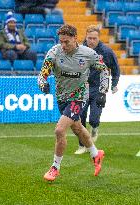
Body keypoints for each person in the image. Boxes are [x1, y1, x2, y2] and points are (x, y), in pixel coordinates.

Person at [38, 24, 109, 181]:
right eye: (61, 41)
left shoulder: (88, 54)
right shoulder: (54, 52)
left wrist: (103, 91)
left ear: (75, 39)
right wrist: (42, 83)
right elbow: (42, 74)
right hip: (62, 97)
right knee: (77, 128)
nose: (63, 45)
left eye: (66, 42)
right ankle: (96, 154)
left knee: (59, 130)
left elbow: (104, 69)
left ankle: (55, 167)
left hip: (78, 97)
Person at [74, 25, 120, 155]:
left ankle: (94, 127)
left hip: (99, 89)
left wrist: (114, 84)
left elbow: (116, 70)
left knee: (93, 118)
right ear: (86, 37)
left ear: (98, 38)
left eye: (94, 38)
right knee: (80, 119)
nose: (92, 41)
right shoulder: (78, 50)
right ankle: (82, 145)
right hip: (81, 88)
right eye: (89, 38)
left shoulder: (106, 52)